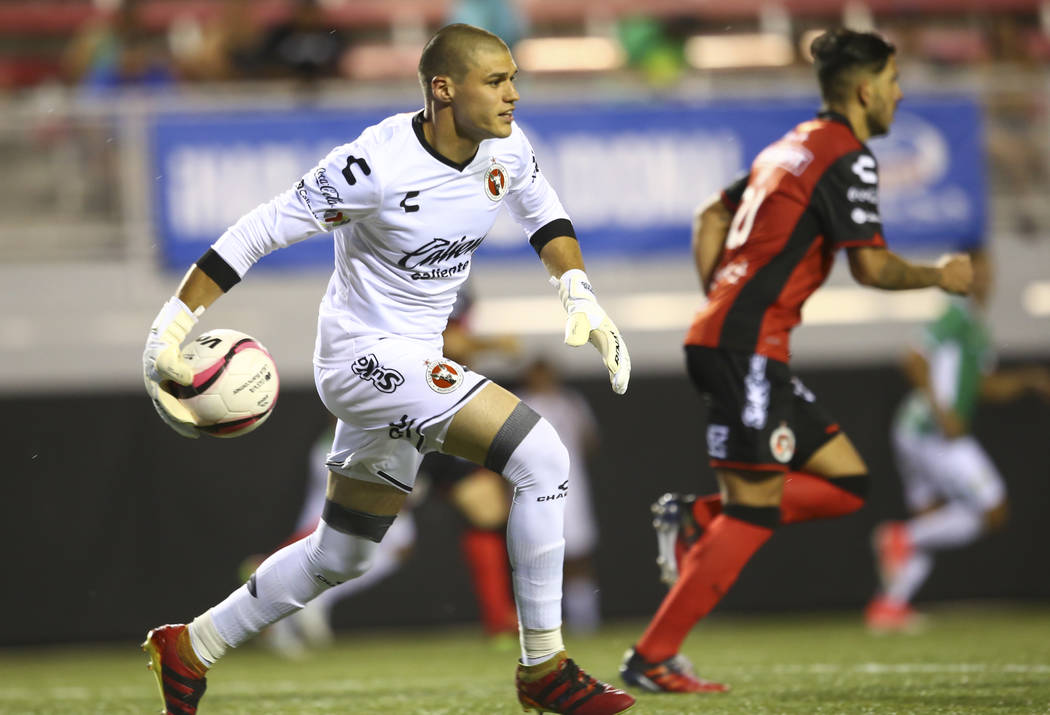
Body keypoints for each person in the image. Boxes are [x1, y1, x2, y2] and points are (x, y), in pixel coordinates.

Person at [140, 22, 634, 715]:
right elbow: (259, 228)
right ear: (443, 89)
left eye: (514, 79)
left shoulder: (506, 148)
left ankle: (191, 645)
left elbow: (543, 213)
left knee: (342, 555)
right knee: (542, 454)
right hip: (363, 359)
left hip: (415, 360)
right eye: (496, 81)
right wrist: (172, 323)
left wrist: (575, 288)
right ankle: (544, 666)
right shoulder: (373, 165)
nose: (513, 95)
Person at [617, 27, 974, 695]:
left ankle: (697, 519)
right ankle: (653, 657)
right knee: (752, 509)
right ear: (866, 90)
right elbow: (871, 268)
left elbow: (707, 219)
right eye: (894, 82)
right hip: (745, 345)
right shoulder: (847, 155)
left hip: (740, 341)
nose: (899, 94)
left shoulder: (786, 147)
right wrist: (939, 276)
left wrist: (723, 300)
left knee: (845, 483)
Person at [866, 249, 1050, 632]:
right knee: (992, 509)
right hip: (932, 431)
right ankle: (900, 537)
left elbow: (984, 386)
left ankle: (889, 606)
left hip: (914, 430)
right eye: (975, 274)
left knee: (934, 521)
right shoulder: (956, 315)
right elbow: (913, 357)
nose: (982, 281)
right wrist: (942, 411)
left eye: (987, 274)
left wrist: (1028, 381)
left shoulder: (977, 328)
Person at [516, 357, 603, 633]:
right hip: (532, 488)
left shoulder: (569, 403)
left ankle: (585, 621)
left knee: (577, 552)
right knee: (536, 556)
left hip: (571, 486)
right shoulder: (520, 403)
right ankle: (540, 624)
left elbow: (590, 440)